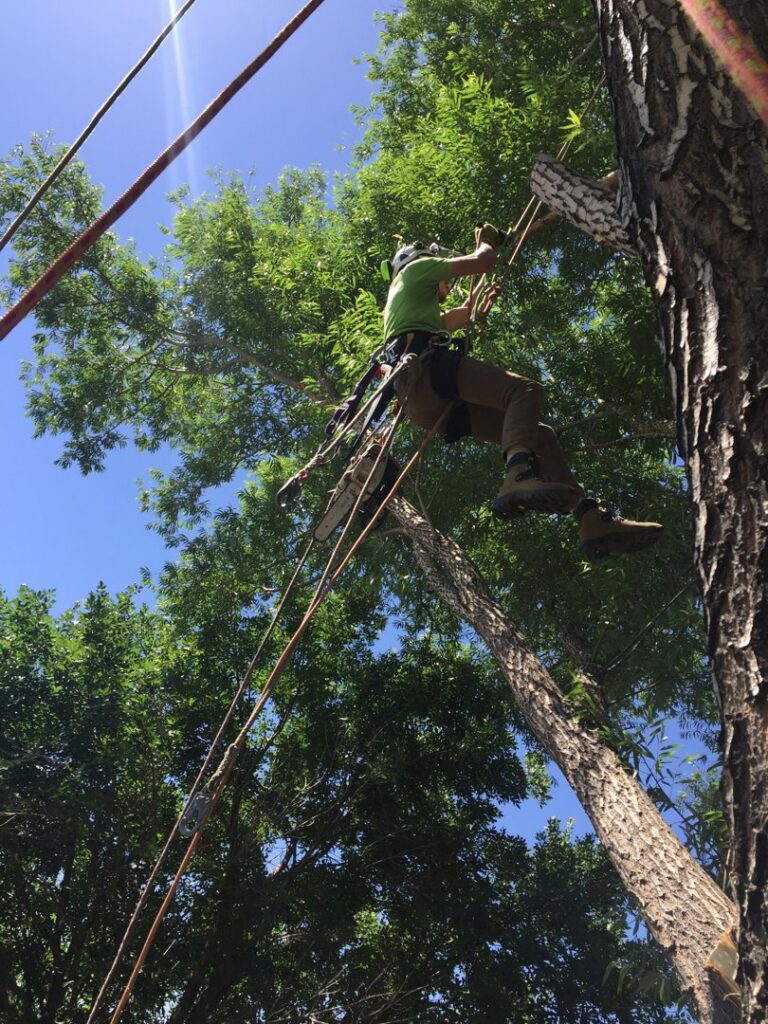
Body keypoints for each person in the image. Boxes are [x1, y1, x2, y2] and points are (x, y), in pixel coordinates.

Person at [380, 224, 663, 560]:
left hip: (421, 402)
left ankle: (587, 517)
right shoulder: (415, 270)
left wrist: (477, 306)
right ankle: (518, 473)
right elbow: (483, 261)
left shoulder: (411, 311)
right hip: (427, 370)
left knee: (537, 436)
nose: (446, 286)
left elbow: (462, 316)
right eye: (443, 281)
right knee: (523, 390)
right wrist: (486, 242)